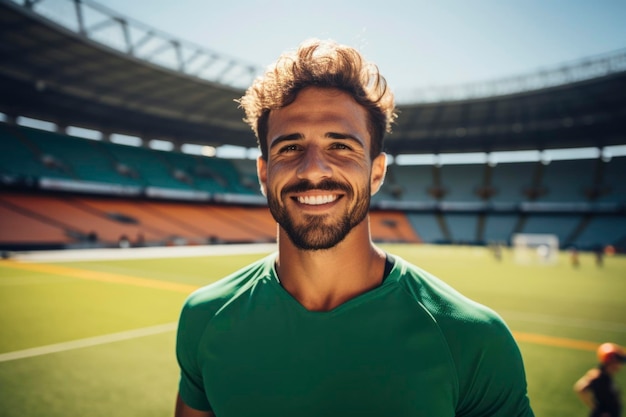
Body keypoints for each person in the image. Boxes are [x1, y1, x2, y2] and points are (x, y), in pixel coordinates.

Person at [174, 38, 534, 417]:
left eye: (341, 146)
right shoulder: (204, 317)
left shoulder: (473, 339)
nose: (314, 168)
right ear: (264, 173)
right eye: (290, 148)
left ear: (376, 172)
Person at [574, 342, 625, 417]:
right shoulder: (598, 376)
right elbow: (580, 388)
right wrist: (596, 408)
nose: (620, 365)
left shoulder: (606, 375)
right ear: (610, 362)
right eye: (618, 362)